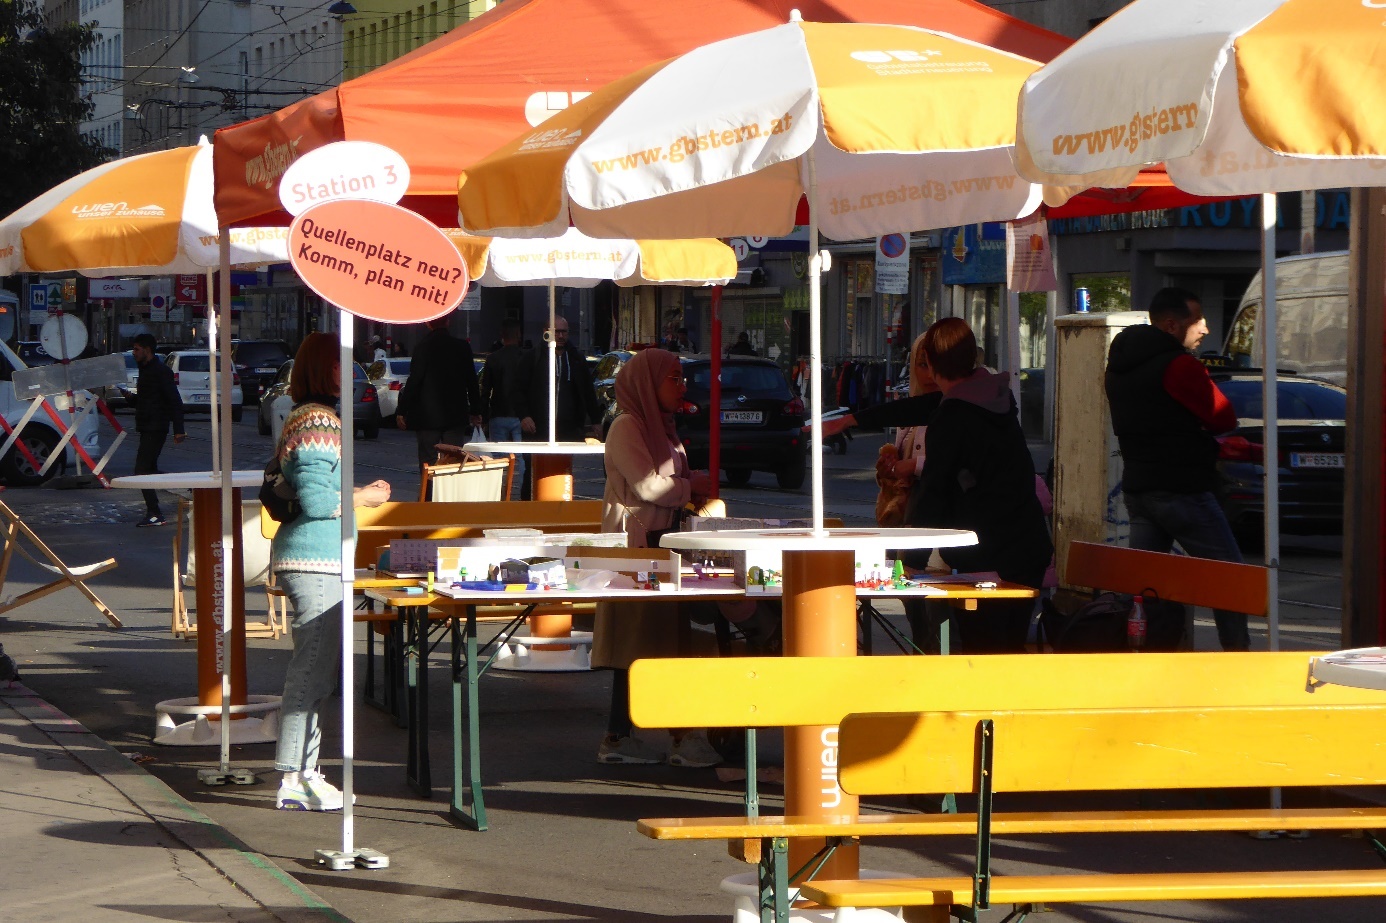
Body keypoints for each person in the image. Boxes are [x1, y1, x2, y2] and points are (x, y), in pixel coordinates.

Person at [270, 333, 391, 810]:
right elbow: (320, 502)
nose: (350, 376)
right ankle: (292, 777)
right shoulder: (319, 421)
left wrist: (357, 490)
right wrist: (363, 497)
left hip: (315, 558)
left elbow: (313, 489)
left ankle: (307, 770)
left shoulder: (309, 417)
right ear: (325, 370)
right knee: (312, 672)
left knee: (320, 673)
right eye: (342, 367)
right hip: (313, 560)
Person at [590, 348, 721, 767]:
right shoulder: (627, 427)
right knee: (637, 642)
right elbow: (648, 488)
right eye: (674, 378)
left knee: (659, 640)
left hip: (660, 545)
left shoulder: (662, 427)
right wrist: (692, 485)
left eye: (683, 378)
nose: (682, 386)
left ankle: (657, 734)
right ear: (648, 381)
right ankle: (625, 736)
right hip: (634, 550)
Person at [1105, 287, 1248, 651]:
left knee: (1143, 588)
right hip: (1182, 488)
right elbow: (1223, 418)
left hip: (1138, 486)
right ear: (1171, 325)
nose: (1205, 329)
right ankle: (1238, 659)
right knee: (1230, 578)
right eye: (1196, 321)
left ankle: (1142, 656)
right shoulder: (1180, 365)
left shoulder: (1119, 367)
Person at [913, 318, 1052, 653]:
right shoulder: (995, 398)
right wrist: (855, 419)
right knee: (1009, 648)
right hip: (1028, 545)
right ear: (973, 358)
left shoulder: (952, 416)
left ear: (930, 364)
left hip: (987, 553)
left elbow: (934, 489)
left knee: (982, 650)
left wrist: (909, 556)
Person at [824, 333, 943, 647]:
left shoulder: (951, 410)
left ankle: (932, 657)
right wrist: (889, 467)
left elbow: (951, 464)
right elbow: (900, 468)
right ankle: (923, 651)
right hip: (907, 519)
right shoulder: (909, 413)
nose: (929, 374)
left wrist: (913, 466)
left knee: (931, 601)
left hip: (935, 522)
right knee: (909, 595)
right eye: (921, 365)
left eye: (934, 365)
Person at [520, 314, 601, 498]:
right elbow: (517, 390)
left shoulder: (576, 358)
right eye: (557, 332)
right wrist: (524, 415)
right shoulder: (533, 357)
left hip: (567, 428)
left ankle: (561, 507)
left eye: (564, 332)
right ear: (546, 332)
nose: (562, 336)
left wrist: (596, 420)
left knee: (563, 470)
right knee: (531, 470)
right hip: (537, 428)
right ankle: (527, 507)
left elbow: (588, 391)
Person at [396, 315, 483, 472]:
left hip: (427, 417)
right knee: (453, 461)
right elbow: (472, 381)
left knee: (427, 462)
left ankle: (427, 494)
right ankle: (448, 495)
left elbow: (414, 380)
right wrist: (476, 410)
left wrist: (402, 410)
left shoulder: (422, 347)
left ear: (428, 323)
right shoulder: (462, 347)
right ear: (448, 322)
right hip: (455, 416)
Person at [130, 334, 185, 527]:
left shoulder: (160, 371)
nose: (134, 352)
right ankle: (186, 487)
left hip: (156, 426)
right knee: (149, 470)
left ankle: (154, 513)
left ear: (147, 350)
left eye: (137, 349)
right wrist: (129, 398)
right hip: (147, 426)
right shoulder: (145, 370)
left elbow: (174, 400)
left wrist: (179, 429)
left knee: (142, 470)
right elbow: (146, 399)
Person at [479, 318, 533, 445]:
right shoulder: (527, 357)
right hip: (521, 415)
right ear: (518, 334)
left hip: (499, 413)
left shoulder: (493, 358)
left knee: (499, 454)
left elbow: (485, 390)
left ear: (502, 335)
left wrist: (483, 416)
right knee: (519, 455)